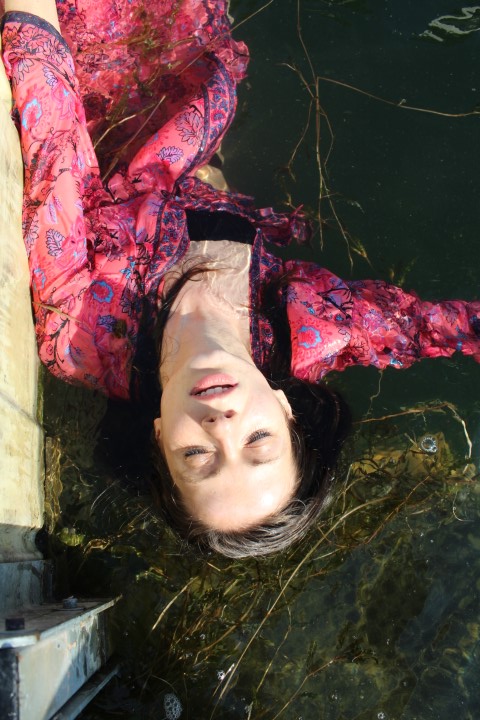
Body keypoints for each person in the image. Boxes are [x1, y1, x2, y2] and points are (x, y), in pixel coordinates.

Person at [2, 0, 480, 558]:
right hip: (190, 102)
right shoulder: (307, 329)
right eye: (258, 439)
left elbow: (54, 127)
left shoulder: (82, 331)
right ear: (284, 407)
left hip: (106, 99)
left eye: (197, 456)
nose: (222, 425)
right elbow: (432, 329)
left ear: (158, 439)